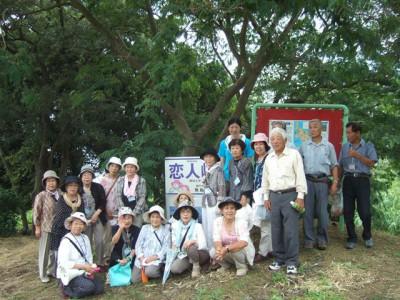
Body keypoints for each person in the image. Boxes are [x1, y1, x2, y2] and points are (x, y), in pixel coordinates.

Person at [262, 127, 307, 274]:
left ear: (285, 140)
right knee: (276, 229)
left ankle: (292, 261)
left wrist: (300, 197)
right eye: (272, 139)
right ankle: (279, 258)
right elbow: (265, 179)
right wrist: (266, 197)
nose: (275, 141)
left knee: (290, 230)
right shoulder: (269, 158)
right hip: (274, 196)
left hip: (290, 195)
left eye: (278, 138)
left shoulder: (294, 155)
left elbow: (300, 176)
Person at [299, 119, 339, 250]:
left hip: (323, 182)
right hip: (307, 182)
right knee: (307, 213)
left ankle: (322, 239)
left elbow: (334, 165)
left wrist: (335, 183)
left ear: (321, 128)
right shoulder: (304, 146)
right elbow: (298, 166)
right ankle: (309, 240)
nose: (312, 129)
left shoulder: (328, 146)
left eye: (315, 127)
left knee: (323, 213)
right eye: (310, 127)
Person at [338, 121, 378, 249]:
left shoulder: (368, 146)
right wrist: (338, 181)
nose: (347, 135)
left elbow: (372, 163)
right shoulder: (345, 147)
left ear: (357, 133)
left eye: (349, 133)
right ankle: (351, 238)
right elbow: (340, 166)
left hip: (362, 181)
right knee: (348, 211)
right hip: (348, 180)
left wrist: (357, 155)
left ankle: (367, 236)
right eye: (346, 133)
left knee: (365, 211)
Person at [57, 212, 104, 298]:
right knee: (89, 287)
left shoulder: (85, 238)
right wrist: (83, 267)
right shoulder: (66, 241)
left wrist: (90, 267)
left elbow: (89, 256)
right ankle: (67, 288)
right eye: (76, 223)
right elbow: (64, 262)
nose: (78, 226)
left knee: (99, 289)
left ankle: (83, 284)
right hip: (70, 272)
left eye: (81, 224)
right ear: (70, 225)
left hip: (83, 270)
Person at [210, 197, 255, 276]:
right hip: (226, 250)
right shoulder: (217, 221)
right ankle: (226, 265)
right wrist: (220, 250)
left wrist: (226, 249)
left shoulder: (242, 222)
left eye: (232, 208)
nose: (229, 211)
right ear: (222, 210)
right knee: (213, 252)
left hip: (241, 251)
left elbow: (244, 242)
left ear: (236, 210)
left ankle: (242, 267)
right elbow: (216, 239)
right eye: (226, 208)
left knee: (235, 249)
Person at [33, 170, 62, 283]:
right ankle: (43, 273)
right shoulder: (41, 195)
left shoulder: (61, 193)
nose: (51, 183)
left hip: (59, 227)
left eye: (53, 180)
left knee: (55, 251)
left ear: (56, 182)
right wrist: (37, 227)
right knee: (44, 252)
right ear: (45, 183)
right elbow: (36, 212)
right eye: (49, 181)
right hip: (46, 227)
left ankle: (52, 270)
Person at [131, 205, 171, 283]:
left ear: (161, 219)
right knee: (134, 280)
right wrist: (142, 259)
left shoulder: (166, 231)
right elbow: (138, 245)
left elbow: (166, 249)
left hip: (156, 259)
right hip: (142, 258)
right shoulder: (144, 228)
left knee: (150, 272)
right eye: (152, 217)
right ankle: (147, 273)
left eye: (157, 217)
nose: (155, 219)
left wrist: (153, 258)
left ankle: (159, 272)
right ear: (150, 218)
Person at [250, 133, 274, 263]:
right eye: (256, 144)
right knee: (267, 223)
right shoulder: (258, 160)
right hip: (259, 196)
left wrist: (267, 196)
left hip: (266, 195)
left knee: (265, 223)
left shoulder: (269, 159)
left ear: (266, 145)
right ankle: (271, 249)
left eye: (261, 144)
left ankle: (263, 252)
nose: (258, 147)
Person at [170, 201, 210, 278]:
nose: (185, 214)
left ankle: (196, 267)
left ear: (192, 214)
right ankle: (190, 264)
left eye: (188, 211)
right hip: (184, 255)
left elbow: (203, 244)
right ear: (180, 214)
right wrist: (174, 245)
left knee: (191, 247)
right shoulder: (175, 226)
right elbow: (174, 240)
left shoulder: (197, 226)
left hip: (200, 254)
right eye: (183, 212)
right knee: (174, 269)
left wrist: (193, 241)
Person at [79, 164, 108, 267]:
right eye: (84, 175)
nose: (87, 177)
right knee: (86, 241)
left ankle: (100, 262)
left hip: (97, 217)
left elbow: (103, 202)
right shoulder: (78, 189)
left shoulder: (98, 187)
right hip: (83, 220)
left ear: (92, 176)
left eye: (89, 175)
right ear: (81, 177)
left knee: (100, 240)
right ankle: (87, 263)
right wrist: (83, 219)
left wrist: (96, 215)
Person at [200, 147, 226, 249]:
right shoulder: (207, 170)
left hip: (214, 202)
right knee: (205, 226)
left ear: (215, 158)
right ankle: (208, 249)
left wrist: (219, 203)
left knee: (214, 227)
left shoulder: (218, 170)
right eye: (206, 157)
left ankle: (215, 249)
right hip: (206, 201)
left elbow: (222, 186)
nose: (208, 159)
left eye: (210, 157)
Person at [50, 176, 84, 253]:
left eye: (75, 185)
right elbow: (59, 218)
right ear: (66, 187)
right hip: (61, 231)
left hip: (77, 231)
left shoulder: (80, 200)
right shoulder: (61, 200)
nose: (73, 188)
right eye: (70, 185)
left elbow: (82, 216)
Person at [99, 156, 122, 266]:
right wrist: (105, 209)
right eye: (112, 166)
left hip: (119, 212)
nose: (114, 168)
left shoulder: (121, 180)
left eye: (116, 166)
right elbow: (100, 197)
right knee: (107, 236)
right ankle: (106, 258)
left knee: (118, 234)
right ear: (108, 167)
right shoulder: (102, 180)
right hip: (107, 212)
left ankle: (116, 256)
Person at [218, 118, 254, 185]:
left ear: (240, 128)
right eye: (231, 127)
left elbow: (250, 160)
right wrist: (220, 176)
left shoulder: (248, 142)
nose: (234, 130)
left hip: (242, 176)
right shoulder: (223, 143)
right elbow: (222, 162)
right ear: (228, 128)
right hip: (226, 176)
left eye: (236, 127)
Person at [115, 157, 147, 227]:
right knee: (123, 232)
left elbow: (142, 197)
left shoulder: (141, 180)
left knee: (136, 231)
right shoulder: (120, 180)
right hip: (123, 211)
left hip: (137, 212)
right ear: (125, 168)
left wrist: (135, 213)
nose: (129, 169)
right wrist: (123, 211)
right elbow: (117, 196)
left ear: (135, 169)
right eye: (127, 167)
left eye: (132, 167)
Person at [228, 139, 254, 206]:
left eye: (237, 148)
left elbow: (248, 180)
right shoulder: (231, 162)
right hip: (232, 195)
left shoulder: (246, 162)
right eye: (232, 148)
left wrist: (245, 195)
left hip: (243, 196)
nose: (234, 150)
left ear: (242, 150)